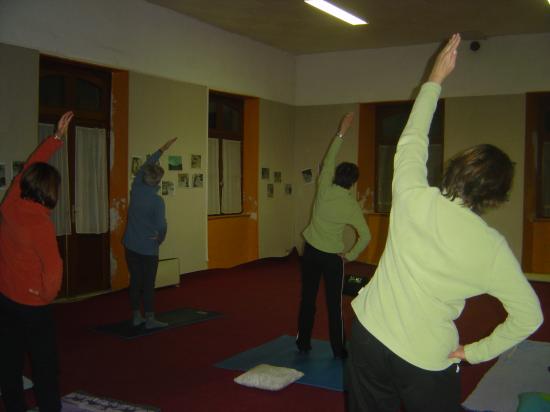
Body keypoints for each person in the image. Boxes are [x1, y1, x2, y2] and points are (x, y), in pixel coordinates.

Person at [347, 33, 543, 412]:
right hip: (425, 358)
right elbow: (530, 316)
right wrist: (473, 352)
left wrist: (434, 80)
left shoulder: (412, 196)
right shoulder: (491, 247)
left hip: (368, 336)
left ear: (454, 168)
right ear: (495, 197)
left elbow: (412, 139)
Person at [0, 111, 74, 412]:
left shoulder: (10, 204)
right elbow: (54, 269)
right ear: (50, 193)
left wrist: (55, 140)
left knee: (9, 362)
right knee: (45, 369)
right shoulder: (40, 224)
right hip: (32, 307)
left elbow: (28, 169)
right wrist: (44, 296)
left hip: (4, 299)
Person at [296, 112, 371, 359]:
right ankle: (338, 351)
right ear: (353, 182)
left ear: (336, 175)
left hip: (311, 253)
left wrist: (342, 131)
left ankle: (303, 343)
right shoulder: (351, 205)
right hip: (332, 259)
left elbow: (329, 158)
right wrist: (350, 255)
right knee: (333, 306)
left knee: (307, 300)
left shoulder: (324, 188)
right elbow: (366, 236)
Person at [123, 137, 177, 329]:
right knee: (148, 284)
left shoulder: (136, 188)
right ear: (157, 182)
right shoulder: (157, 201)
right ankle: (151, 319)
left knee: (135, 281)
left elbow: (146, 165)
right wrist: (160, 239)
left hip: (130, 245)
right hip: (147, 248)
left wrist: (162, 149)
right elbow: (162, 226)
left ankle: (137, 316)